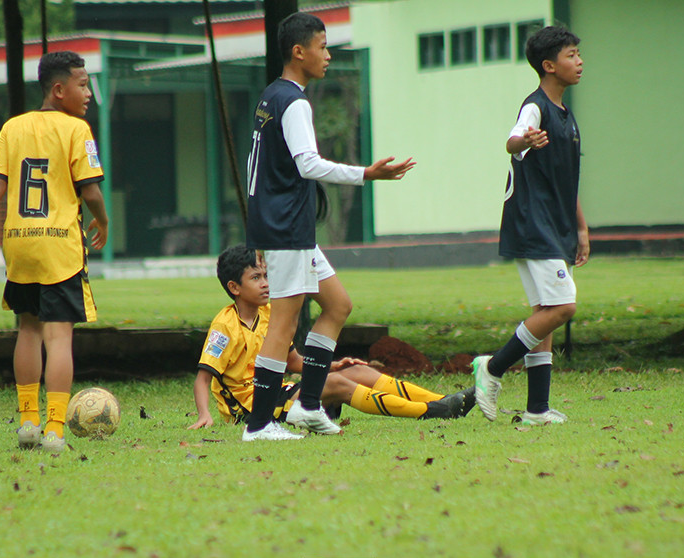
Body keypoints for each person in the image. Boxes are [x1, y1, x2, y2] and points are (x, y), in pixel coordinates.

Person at [243, 12, 416, 441]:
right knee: (283, 324)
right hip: (285, 229)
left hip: (288, 227)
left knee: (337, 305)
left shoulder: (272, 96)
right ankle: (259, 424)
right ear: (298, 52)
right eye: (322, 46)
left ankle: (306, 406)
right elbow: (308, 164)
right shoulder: (294, 101)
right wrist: (366, 174)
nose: (328, 54)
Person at [0, 51, 110, 452]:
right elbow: (91, 190)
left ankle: (27, 422)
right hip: (59, 244)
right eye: (82, 84)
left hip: (20, 243)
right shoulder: (77, 130)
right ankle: (56, 429)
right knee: (58, 336)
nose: (89, 93)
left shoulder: (13, 127)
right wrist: (104, 221)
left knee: (27, 328)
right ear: (59, 90)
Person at [188, 246, 473, 431]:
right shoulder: (224, 326)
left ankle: (447, 401)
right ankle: (430, 412)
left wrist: (332, 364)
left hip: (282, 391)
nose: (265, 283)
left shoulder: (270, 313)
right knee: (335, 385)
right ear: (234, 287)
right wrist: (205, 415)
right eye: (255, 278)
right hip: (252, 410)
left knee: (356, 370)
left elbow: (292, 361)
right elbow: (203, 378)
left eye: (266, 275)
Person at [472, 26, 589, 426]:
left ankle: (537, 409)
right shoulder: (535, 107)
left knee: (545, 309)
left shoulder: (566, 116)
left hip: (557, 226)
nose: (579, 61)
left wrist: (582, 229)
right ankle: (492, 368)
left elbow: (565, 180)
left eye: (578, 54)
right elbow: (512, 140)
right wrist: (524, 141)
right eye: (572, 54)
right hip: (533, 223)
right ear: (549, 65)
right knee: (563, 306)